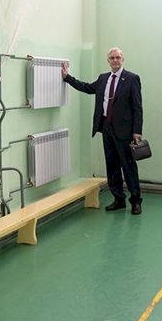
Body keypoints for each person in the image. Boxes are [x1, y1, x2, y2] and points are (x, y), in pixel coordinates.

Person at [61, 47, 144, 215]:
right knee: (112, 166)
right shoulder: (103, 78)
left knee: (128, 167)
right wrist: (67, 78)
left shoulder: (132, 78)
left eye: (118, 57)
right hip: (106, 128)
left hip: (125, 131)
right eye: (112, 58)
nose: (115, 60)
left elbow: (137, 107)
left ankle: (136, 201)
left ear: (123, 59)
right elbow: (86, 88)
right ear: (108, 61)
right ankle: (118, 199)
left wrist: (137, 131)